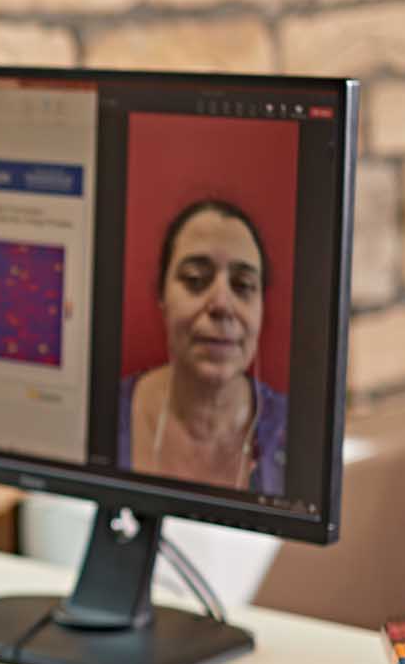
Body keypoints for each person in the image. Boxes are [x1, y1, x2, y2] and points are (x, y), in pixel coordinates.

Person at [119, 198, 287, 495]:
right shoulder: (101, 418)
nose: (222, 304)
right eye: (195, 279)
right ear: (162, 297)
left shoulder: (297, 436)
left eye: (243, 285)